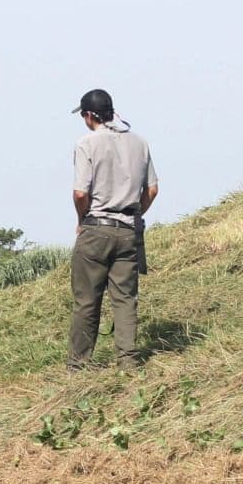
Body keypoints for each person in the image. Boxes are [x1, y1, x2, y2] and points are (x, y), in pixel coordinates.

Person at [68, 88, 158, 371]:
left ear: (88, 116)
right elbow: (152, 189)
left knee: (87, 300)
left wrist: (82, 220)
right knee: (125, 299)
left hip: (97, 227)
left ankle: (78, 364)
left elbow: (81, 193)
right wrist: (134, 213)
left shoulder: (86, 143)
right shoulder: (139, 143)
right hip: (129, 230)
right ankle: (128, 362)